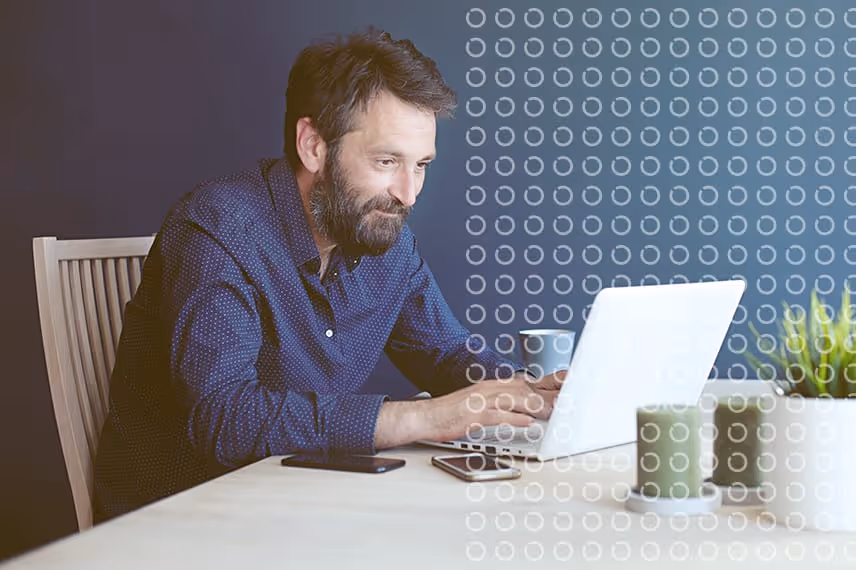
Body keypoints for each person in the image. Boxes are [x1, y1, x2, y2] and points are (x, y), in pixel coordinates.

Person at [92, 27, 563, 523]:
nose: (408, 194)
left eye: (421, 165)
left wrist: (530, 394)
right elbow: (224, 418)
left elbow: (444, 353)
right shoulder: (217, 230)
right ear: (313, 145)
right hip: (180, 523)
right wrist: (423, 417)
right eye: (387, 161)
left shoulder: (383, 239)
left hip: (305, 506)